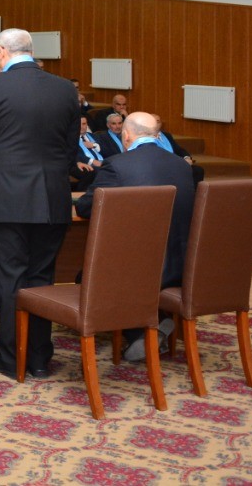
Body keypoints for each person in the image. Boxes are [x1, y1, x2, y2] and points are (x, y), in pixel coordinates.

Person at [0, 28, 78, 381]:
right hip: (53, 199)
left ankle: (12, 357)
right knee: (42, 280)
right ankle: (39, 357)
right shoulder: (64, 88)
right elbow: (70, 152)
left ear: (1, 52)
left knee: (8, 280)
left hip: (6, 200)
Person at [75, 112, 197, 361]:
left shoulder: (118, 165)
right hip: (180, 265)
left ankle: (140, 333)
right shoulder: (182, 167)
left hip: (139, 270)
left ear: (126, 135)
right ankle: (158, 322)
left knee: (85, 276)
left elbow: (86, 207)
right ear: (157, 136)